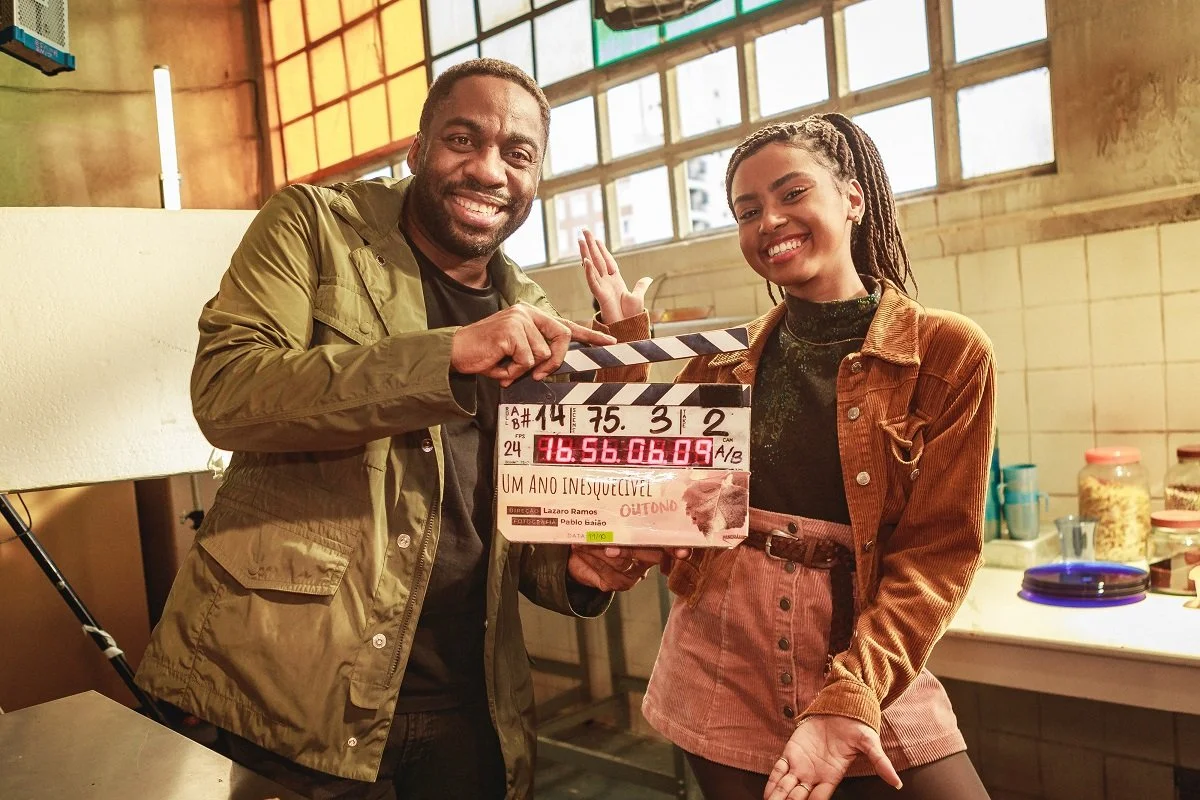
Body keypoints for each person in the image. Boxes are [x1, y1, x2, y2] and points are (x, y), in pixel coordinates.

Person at [135, 58, 666, 800]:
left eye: (518, 154)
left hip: (473, 706)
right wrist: (448, 353)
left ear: (535, 179)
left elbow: (520, 513)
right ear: (417, 151)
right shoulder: (313, 226)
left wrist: (572, 570)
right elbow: (227, 392)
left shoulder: (535, 308)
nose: (489, 169)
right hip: (283, 698)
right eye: (462, 139)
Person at [620, 113, 995, 800]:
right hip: (721, 651)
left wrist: (853, 693)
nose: (770, 221)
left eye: (793, 194)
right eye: (747, 210)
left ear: (852, 198)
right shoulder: (719, 362)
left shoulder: (948, 355)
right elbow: (649, 497)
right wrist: (620, 346)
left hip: (864, 648)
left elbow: (938, 552)